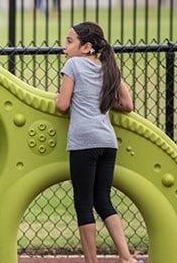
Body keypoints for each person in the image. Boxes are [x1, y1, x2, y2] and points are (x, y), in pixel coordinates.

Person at [55, 22, 137, 263]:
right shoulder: (107, 67)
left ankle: (92, 261)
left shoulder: (73, 65)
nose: (64, 47)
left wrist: (55, 99)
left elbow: (62, 105)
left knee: (83, 203)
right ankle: (126, 257)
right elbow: (127, 105)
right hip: (107, 142)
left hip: (84, 143)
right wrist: (99, 101)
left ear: (86, 47)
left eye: (70, 42)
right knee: (103, 200)